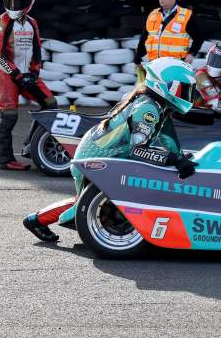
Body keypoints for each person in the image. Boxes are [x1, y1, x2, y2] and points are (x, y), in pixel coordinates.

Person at [22, 57, 199, 242]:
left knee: (83, 200)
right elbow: (137, 151)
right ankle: (34, 220)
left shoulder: (158, 106)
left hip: (106, 152)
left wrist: (180, 157)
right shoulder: (148, 109)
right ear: (164, 86)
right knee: (83, 203)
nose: (187, 95)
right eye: (182, 89)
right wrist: (173, 160)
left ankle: (36, 220)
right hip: (95, 156)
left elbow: (167, 137)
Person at [0, 0, 57, 171]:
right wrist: (18, 75)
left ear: (29, 2)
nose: (13, 7)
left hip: (28, 75)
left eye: (18, 2)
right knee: (9, 117)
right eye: (9, 1)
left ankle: (31, 145)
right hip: (7, 77)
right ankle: (6, 160)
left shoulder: (32, 23)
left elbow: (37, 51)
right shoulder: (0, 21)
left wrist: (34, 73)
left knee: (50, 104)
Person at [133, 0, 203, 84]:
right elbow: (143, 39)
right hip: (154, 66)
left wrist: (191, 54)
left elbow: (199, 38)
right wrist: (137, 60)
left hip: (175, 67)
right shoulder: (153, 14)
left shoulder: (186, 15)